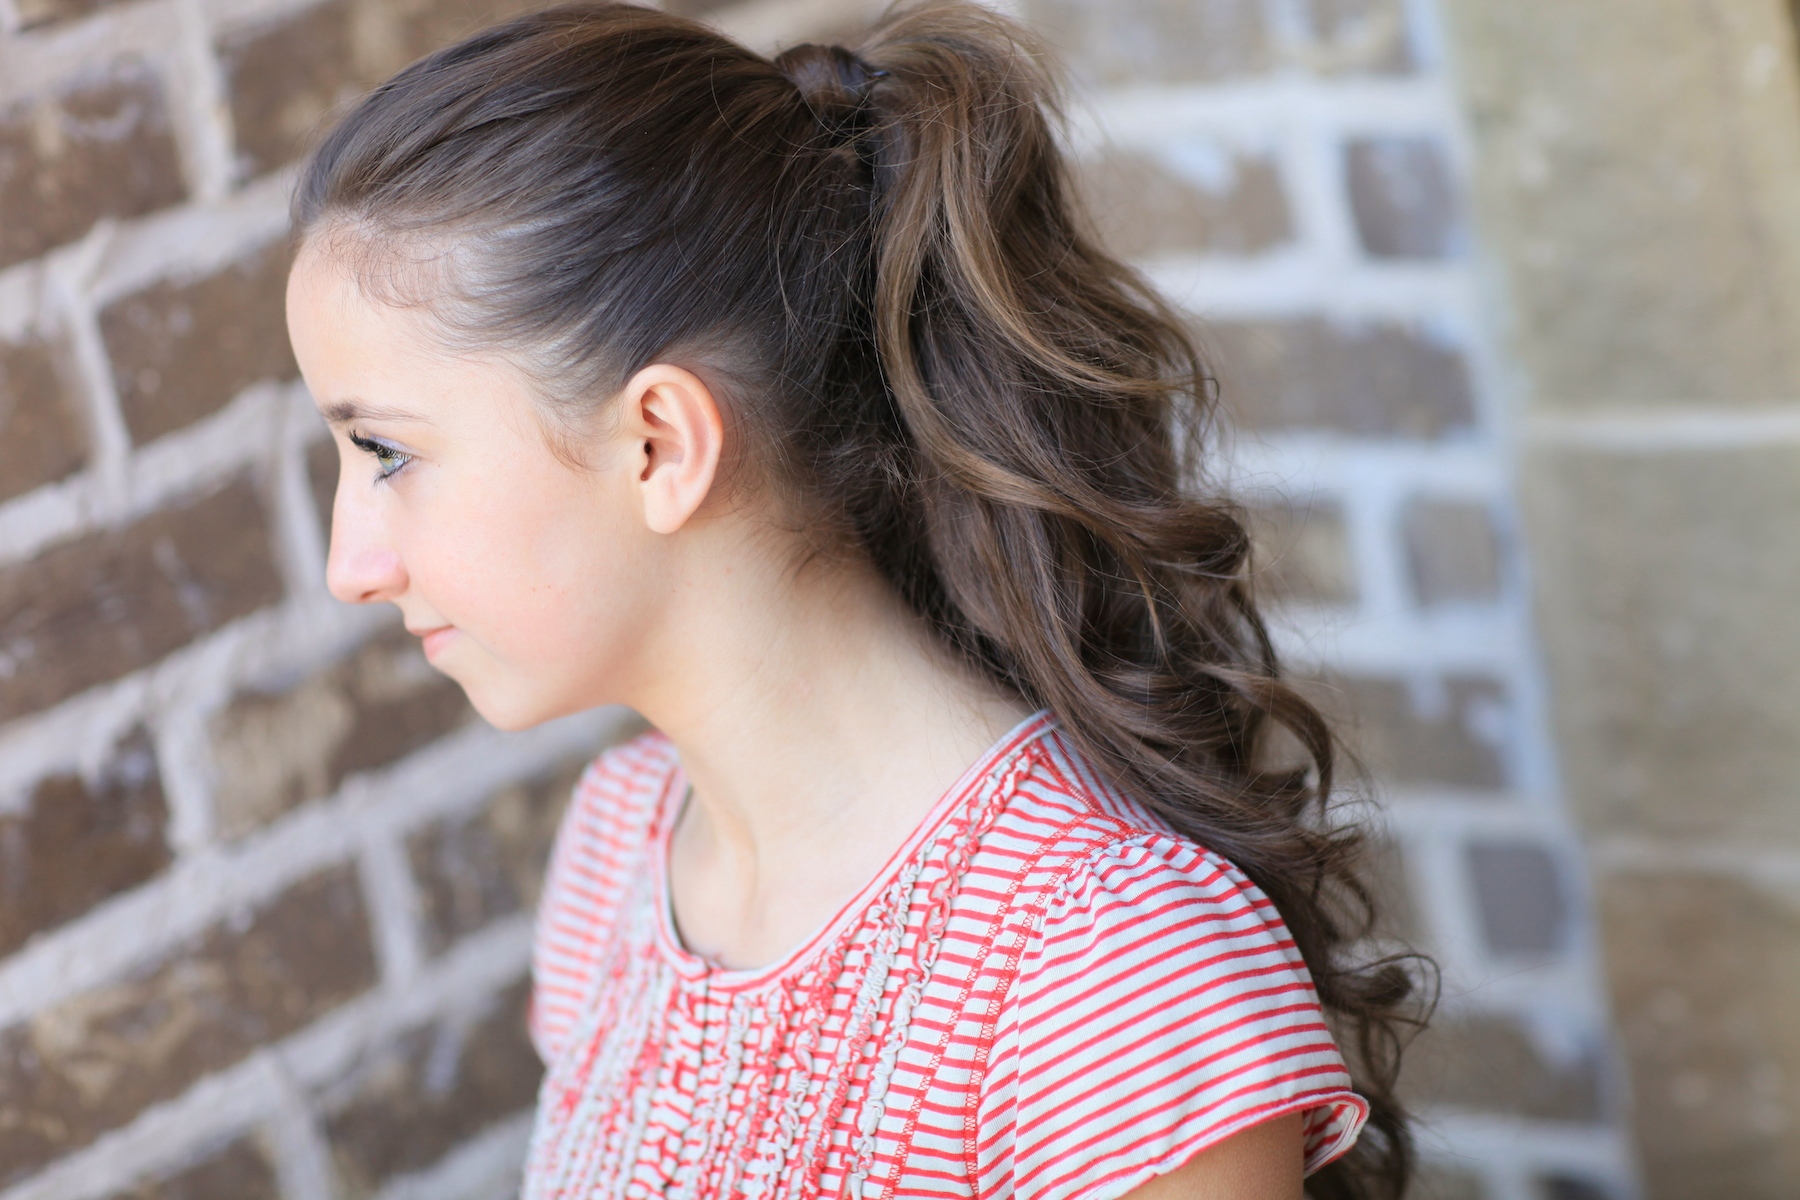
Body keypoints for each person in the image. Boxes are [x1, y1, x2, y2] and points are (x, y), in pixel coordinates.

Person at [284, 3, 1422, 1197]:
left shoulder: (1103, 964)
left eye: (388, 454)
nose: (350, 564)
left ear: (660, 445)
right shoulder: (620, 849)